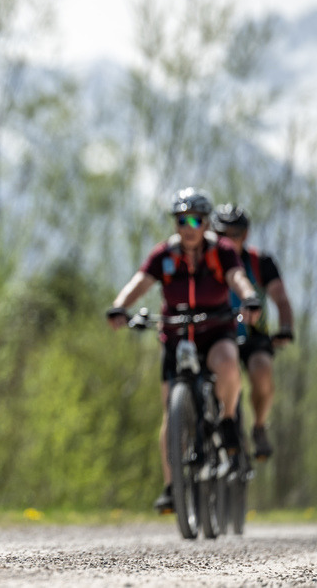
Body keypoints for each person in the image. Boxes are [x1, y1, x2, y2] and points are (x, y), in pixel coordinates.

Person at [106, 187, 260, 514]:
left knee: (229, 364)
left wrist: (249, 298)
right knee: (170, 411)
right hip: (175, 335)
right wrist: (119, 306)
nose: (188, 226)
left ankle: (228, 419)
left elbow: (237, 277)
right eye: (181, 219)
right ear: (175, 223)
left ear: (206, 223)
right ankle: (172, 486)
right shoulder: (164, 255)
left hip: (215, 329)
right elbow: (141, 281)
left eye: (195, 219)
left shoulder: (222, 252)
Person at [211, 204, 294, 461]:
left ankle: (259, 426)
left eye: (233, 234)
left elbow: (281, 299)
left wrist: (285, 329)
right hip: (214, 334)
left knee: (262, 369)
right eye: (220, 233)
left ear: (245, 235)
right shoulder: (204, 262)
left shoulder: (261, 262)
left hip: (253, 336)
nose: (226, 239)